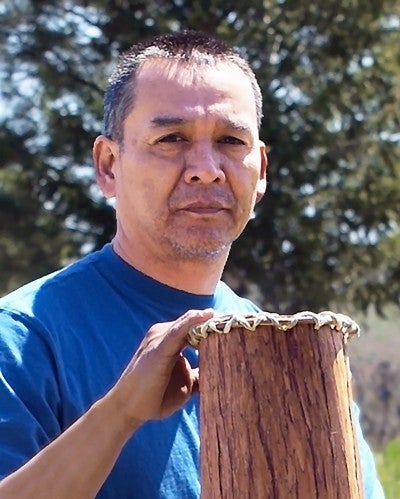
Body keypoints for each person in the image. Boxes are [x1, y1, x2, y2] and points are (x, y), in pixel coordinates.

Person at [0, 31, 383, 498]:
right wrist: (120, 414)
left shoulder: (296, 354)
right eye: (171, 138)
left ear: (260, 169)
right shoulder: (23, 338)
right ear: (107, 165)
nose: (206, 167)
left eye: (229, 139)